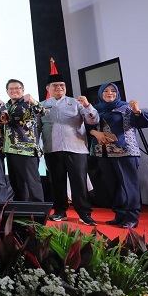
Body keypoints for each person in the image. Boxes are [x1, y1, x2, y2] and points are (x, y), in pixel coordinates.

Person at [88, 83, 148, 228]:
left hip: (125, 151)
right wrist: (94, 132)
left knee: (129, 185)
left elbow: (143, 123)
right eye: (106, 91)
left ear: (117, 93)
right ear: (100, 94)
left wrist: (137, 112)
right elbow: (87, 126)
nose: (109, 93)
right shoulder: (95, 109)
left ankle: (132, 217)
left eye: (113, 91)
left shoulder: (126, 107)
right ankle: (120, 214)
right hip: (103, 153)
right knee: (113, 186)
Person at [39, 73, 99, 225]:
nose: (59, 88)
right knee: (57, 182)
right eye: (55, 85)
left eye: (62, 85)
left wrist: (87, 105)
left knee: (79, 182)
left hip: (76, 148)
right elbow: (37, 127)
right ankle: (60, 211)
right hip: (52, 148)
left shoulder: (76, 103)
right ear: (48, 88)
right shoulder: (41, 106)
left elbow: (93, 120)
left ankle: (84, 213)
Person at [4, 79, 45, 202]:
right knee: (16, 184)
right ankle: (20, 209)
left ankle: (38, 210)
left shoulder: (28, 103)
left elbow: (42, 111)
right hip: (10, 150)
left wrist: (33, 101)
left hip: (26, 150)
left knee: (32, 182)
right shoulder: (6, 106)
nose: (14, 91)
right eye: (11, 88)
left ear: (23, 90)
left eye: (17, 88)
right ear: (7, 91)